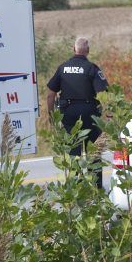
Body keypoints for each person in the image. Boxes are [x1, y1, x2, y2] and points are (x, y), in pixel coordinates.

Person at [47, 37, 109, 186]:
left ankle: (76, 186)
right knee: (94, 151)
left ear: (73, 49)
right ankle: (96, 187)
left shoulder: (62, 68)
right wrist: (108, 115)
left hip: (68, 114)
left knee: (74, 152)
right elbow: (103, 93)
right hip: (89, 114)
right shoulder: (92, 69)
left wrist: (51, 117)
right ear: (87, 51)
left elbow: (50, 94)